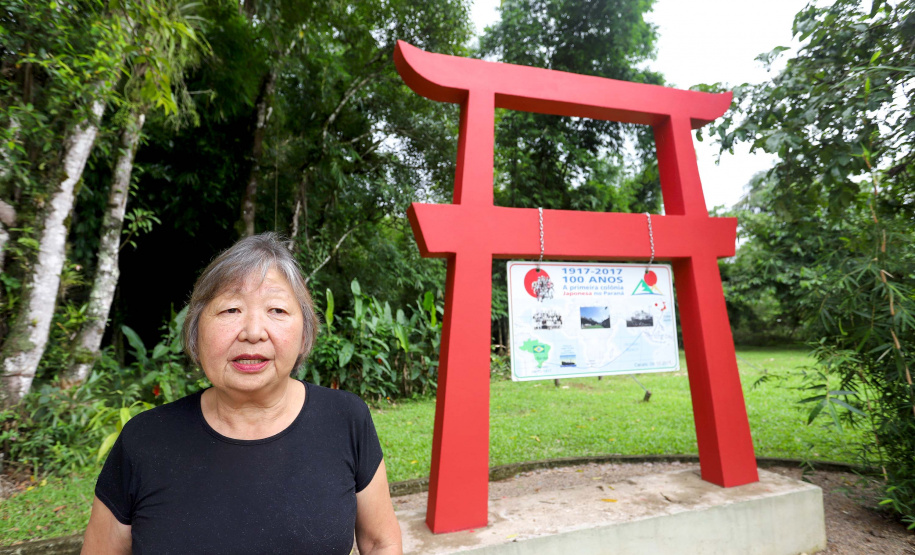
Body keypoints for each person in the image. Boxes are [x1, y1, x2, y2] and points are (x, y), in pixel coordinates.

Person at [81, 233, 402, 554]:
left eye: (276, 309)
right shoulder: (144, 439)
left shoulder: (345, 420)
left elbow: (380, 542)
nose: (252, 332)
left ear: (305, 333)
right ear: (195, 333)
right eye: (231, 309)